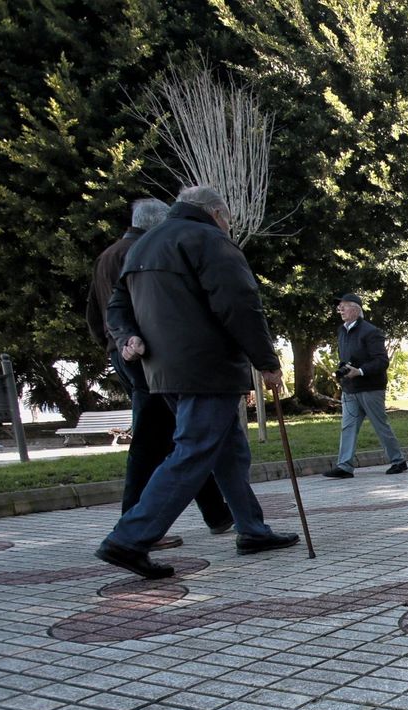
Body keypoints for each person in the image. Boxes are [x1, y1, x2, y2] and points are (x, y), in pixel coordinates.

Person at [98, 185, 298, 580]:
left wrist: (126, 336)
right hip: (208, 368)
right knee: (192, 452)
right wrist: (267, 362)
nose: (228, 227)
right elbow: (240, 304)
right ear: (215, 213)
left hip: (163, 371)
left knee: (229, 450)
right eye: (228, 220)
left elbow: (116, 305)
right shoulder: (208, 240)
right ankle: (130, 537)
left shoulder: (142, 245)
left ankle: (252, 530)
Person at [87, 197, 232, 550]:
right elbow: (151, 307)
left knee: (178, 435)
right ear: (157, 224)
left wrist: (112, 345)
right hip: (150, 356)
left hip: (126, 352)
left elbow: (96, 313)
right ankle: (133, 526)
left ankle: (217, 513)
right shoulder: (146, 251)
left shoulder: (109, 254)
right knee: (156, 441)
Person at [323, 293, 407, 478]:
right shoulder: (341, 330)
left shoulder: (371, 332)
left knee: (379, 425)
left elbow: (381, 361)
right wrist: (342, 371)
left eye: (344, 306)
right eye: (339, 307)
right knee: (348, 427)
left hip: (370, 388)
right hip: (350, 388)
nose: (340, 309)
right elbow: (345, 358)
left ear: (356, 309)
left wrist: (360, 371)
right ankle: (344, 466)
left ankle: (398, 461)